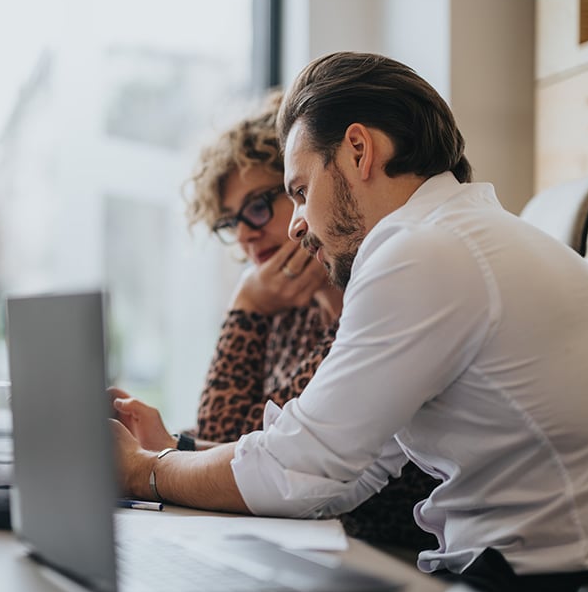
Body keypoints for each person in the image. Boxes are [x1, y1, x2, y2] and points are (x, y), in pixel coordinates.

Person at [112, 51, 588, 592]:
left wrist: (142, 471)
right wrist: (170, 455)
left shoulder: (423, 250)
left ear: (358, 151)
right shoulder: (455, 236)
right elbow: (348, 469)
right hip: (552, 578)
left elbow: (300, 469)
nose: (297, 224)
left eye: (301, 191)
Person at [173, 90, 436, 553]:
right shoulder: (288, 314)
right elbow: (238, 448)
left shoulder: (384, 295)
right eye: (232, 222)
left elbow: (264, 471)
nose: (247, 234)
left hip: (383, 554)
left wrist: (244, 312)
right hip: (311, 546)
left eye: (259, 205)